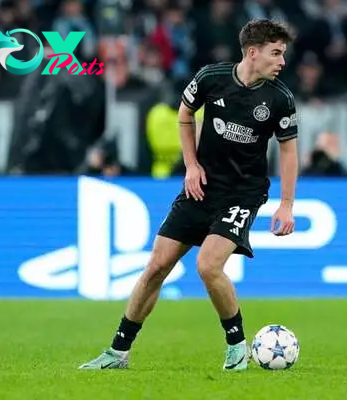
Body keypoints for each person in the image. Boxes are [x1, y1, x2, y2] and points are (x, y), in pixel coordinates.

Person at [79, 19, 299, 372]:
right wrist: (191, 164)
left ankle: (237, 346)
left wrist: (286, 205)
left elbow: (288, 151)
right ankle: (118, 352)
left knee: (208, 266)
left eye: (283, 54)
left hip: (242, 194)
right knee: (156, 267)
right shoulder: (211, 78)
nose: (282, 62)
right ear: (252, 52)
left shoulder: (279, 99)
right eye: (276, 53)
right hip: (201, 187)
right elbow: (184, 114)